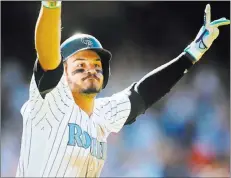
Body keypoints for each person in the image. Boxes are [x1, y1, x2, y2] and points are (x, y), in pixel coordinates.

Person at [16, 1, 230, 177]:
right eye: (80, 65)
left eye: (97, 65)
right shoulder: (51, 101)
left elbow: (143, 93)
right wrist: (51, 5)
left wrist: (193, 51)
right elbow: (48, 54)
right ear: (63, 73)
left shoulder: (103, 113)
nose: (90, 69)